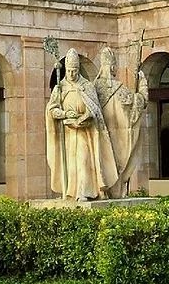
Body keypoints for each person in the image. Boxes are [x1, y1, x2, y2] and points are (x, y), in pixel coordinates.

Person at [45, 49, 118, 201]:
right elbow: (52, 109)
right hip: (68, 132)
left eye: (75, 70)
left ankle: (84, 191)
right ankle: (71, 191)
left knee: (83, 160)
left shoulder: (87, 86)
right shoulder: (61, 87)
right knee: (71, 165)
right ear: (66, 69)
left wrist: (87, 116)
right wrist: (64, 114)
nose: (72, 74)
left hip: (85, 131)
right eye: (70, 70)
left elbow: (95, 108)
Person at [93, 46, 148, 198]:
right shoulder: (118, 89)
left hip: (98, 142)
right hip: (116, 144)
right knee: (116, 166)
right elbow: (140, 102)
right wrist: (142, 82)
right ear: (112, 67)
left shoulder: (92, 88)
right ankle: (114, 191)